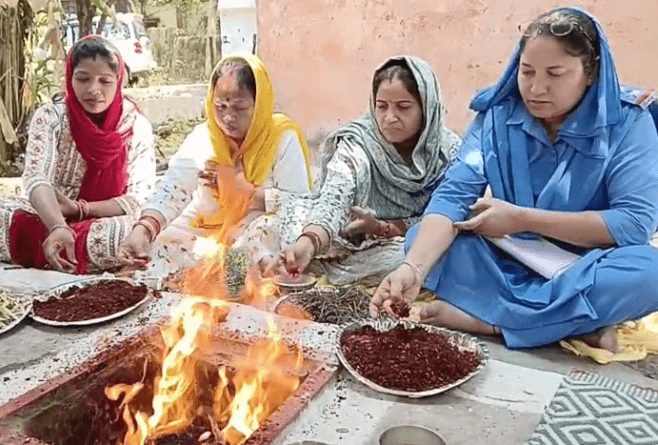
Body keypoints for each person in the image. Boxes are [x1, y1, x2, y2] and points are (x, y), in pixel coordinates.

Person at [370, 8, 658, 353]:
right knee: (422, 240)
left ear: (590, 72)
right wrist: (412, 270)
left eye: (555, 74)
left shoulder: (627, 122)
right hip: (510, 258)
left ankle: (490, 322)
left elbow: (634, 224)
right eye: (526, 71)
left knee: (649, 272)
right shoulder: (497, 116)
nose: (536, 88)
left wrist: (522, 218)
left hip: (585, 267)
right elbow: (453, 196)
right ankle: (572, 322)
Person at [0, 35, 156, 274]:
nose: (93, 90)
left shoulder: (135, 125)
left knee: (131, 232)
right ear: (69, 77)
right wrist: (58, 225)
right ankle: (59, 248)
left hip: (105, 220)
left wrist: (80, 210)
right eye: (83, 79)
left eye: (105, 81)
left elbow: (139, 198)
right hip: (49, 216)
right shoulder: (51, 117)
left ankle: (24, 247)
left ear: (118, 82)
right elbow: (37, 179)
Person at [119, 55, 312, 281]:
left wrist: (248, 193)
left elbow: (301, 205)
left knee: (258, 239)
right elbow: (174, 186)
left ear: (259, 105)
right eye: (220, 106)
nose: (228, 117)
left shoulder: (282, 138)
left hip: (253, 231)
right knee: (160, 244)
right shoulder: (204, 137)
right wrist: (146, 228)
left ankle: (244, 284)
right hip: (204, 232)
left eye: (240, 107)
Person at [272, 56, 461, 286]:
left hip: (405, 241)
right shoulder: (359, 142)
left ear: (426, 108)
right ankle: (312, 256)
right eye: (381, 106)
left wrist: (388, 228)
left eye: (403, 107)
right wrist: (309, 242)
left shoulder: (448, 151)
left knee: (434, 254)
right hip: (343, 236)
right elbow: (334, 198)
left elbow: (451, 212)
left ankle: (335, 268)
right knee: (293, 233)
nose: (389, 117)